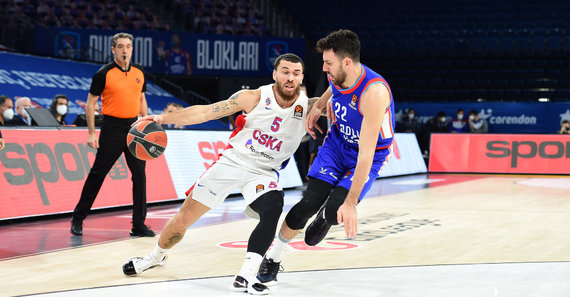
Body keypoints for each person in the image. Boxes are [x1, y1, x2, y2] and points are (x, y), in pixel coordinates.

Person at [121, 53, 315, 295]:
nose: (290, 77)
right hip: (231, 162)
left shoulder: (309, 106)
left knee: (274, 205)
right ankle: (155, 256)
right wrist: (163, 117)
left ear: (302, 77)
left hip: (263, 173)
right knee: (182, 221)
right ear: (275, 74)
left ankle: (246, 274)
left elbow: (349, 102)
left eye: (296, 73)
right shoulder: (253, 97)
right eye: (285, 71)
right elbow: (207, 112)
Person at [256, 29, 395, 286]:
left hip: (368, 155)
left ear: (347, 62)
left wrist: (351, 203)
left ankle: (325, 217)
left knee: (336, 211)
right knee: (307, 203)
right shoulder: (338, 75)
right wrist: (319, 106)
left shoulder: (373, 94)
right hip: (337, 144)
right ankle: (273, 257)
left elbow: (365, 154)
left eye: (328, 63)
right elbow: (332, 88)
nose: (323, 68)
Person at [70, 32, 154, 237]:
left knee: (140, 176)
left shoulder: (139, 72)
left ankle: (138, 225)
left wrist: (147, 123)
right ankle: (78, 218)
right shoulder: (103, 73)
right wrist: (91, 133)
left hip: (135, 127)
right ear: (113, 49)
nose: (125, 50)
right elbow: (90, 104)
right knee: (98, 173)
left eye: (128, 46)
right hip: (112, 127)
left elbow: (141, 98)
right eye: (120, 46)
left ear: (132, 49)